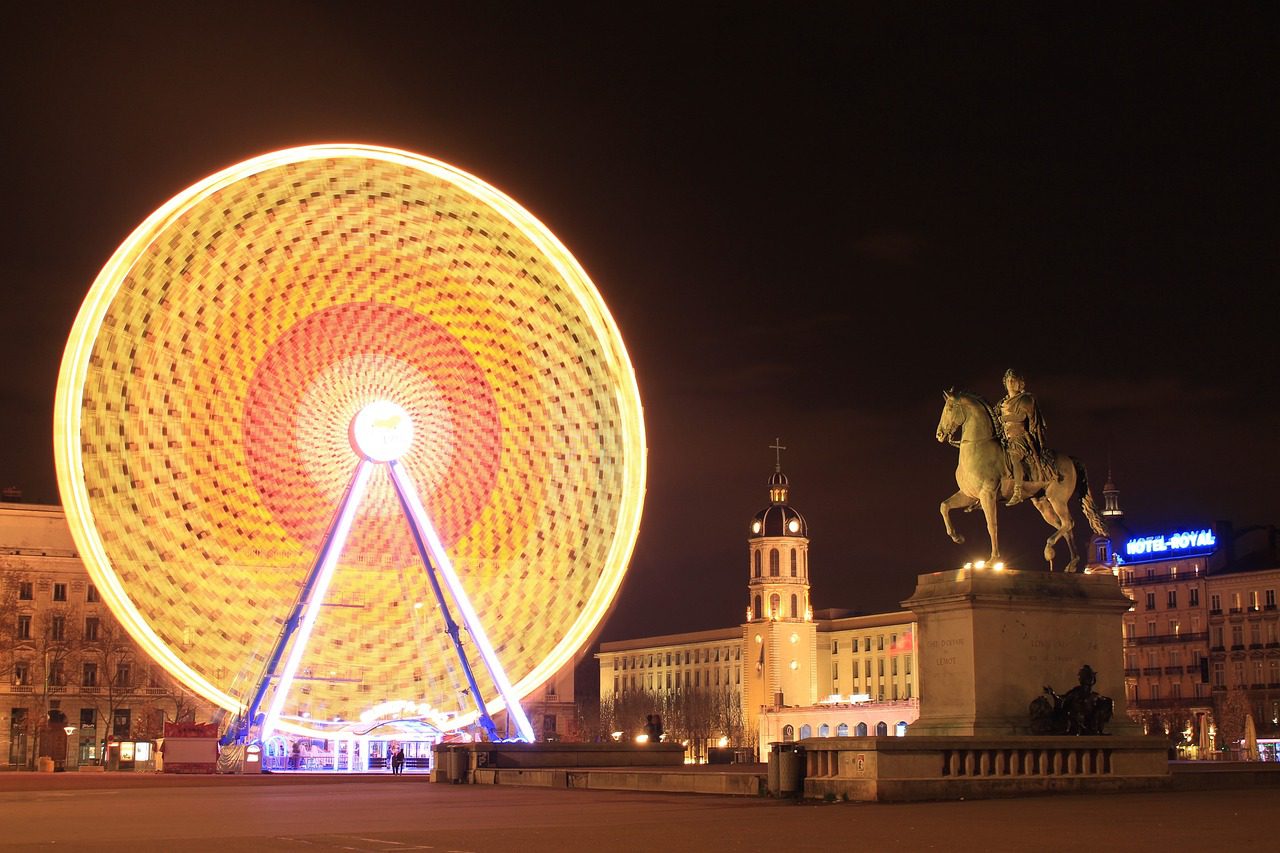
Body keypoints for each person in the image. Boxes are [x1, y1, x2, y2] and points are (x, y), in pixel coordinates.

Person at [997, 368, 1049, 506]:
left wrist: (1005, 417)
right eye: (1008, 380)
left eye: (1013, 380)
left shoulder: (1025, 399)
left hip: (1020, 437)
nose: (1010, 383)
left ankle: (1018, 491)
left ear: (1019, 383)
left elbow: (1023, 416)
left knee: (1014, 458)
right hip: (1005, 439)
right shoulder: (1002, 402)